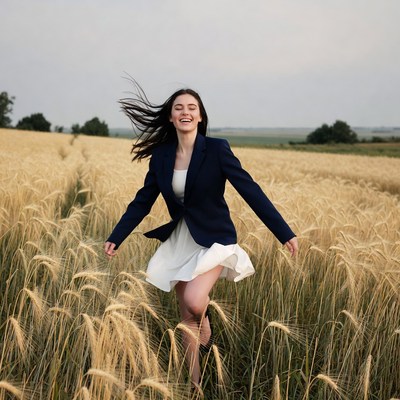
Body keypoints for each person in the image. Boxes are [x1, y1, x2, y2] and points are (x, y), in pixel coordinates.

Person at [105, 82, 298, 393]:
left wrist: (283, 232)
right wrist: (118, 235)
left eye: (191, 108)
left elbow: (250, 190)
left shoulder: (217, 149)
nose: (185, 112)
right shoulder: (162, 156)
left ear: (200, 116)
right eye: (179, 108)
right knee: (186, 318)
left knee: (195, 303)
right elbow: (144, 199)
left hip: (214, 240)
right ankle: (194, 386)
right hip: (182, 239)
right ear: (170, 117)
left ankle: (207, 325)